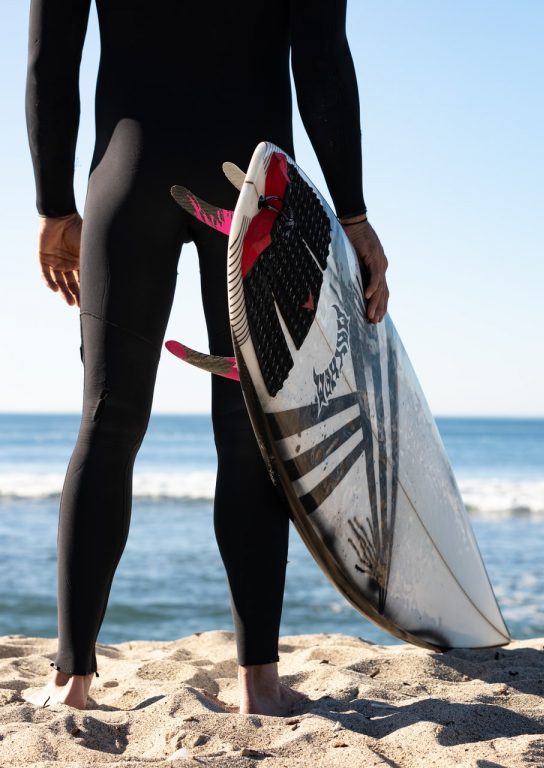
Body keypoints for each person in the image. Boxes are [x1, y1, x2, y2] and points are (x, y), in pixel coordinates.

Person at [24, 0, 389, 715]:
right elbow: (321, 57)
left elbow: (49, 61)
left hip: (128, 182)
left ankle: (72, 683)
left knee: (108, 421)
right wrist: (352, 213)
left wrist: (53, 204)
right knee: (253, 436)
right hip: (254, 189)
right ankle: (259, 684)